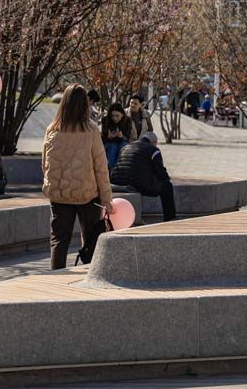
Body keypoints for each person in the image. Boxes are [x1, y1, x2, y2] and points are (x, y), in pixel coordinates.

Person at [43, 84, 114, 269]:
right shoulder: (90, 130)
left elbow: (45, 163)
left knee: (59, 240)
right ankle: (89, 273)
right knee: (91, 239)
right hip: (87, 194)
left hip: (59, 195)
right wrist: (106, 198)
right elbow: (100, 166)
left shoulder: (52, 129)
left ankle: (56, 275)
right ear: (85, 104)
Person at [111, 131, 176, 221]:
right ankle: (170, 218)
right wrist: (166, 178)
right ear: (154, 142)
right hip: (135, 183)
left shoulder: (126, 147)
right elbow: (160, 170)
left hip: (116, 181)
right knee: (167, 186)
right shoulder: (153, 149)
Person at [101, 102, 133, 170]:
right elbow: (103, 138)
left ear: (122, 114)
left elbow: (128, 136)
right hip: (110, 142)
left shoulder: (128, 120)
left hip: (123, 142)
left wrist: (122, 136)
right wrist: (108, 137)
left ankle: (122, 169)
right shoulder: (105, 120)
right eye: (112, 116)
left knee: (123, 147)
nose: (114, 118)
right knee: (112, 147)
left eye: (117, 116)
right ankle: (112, 169)